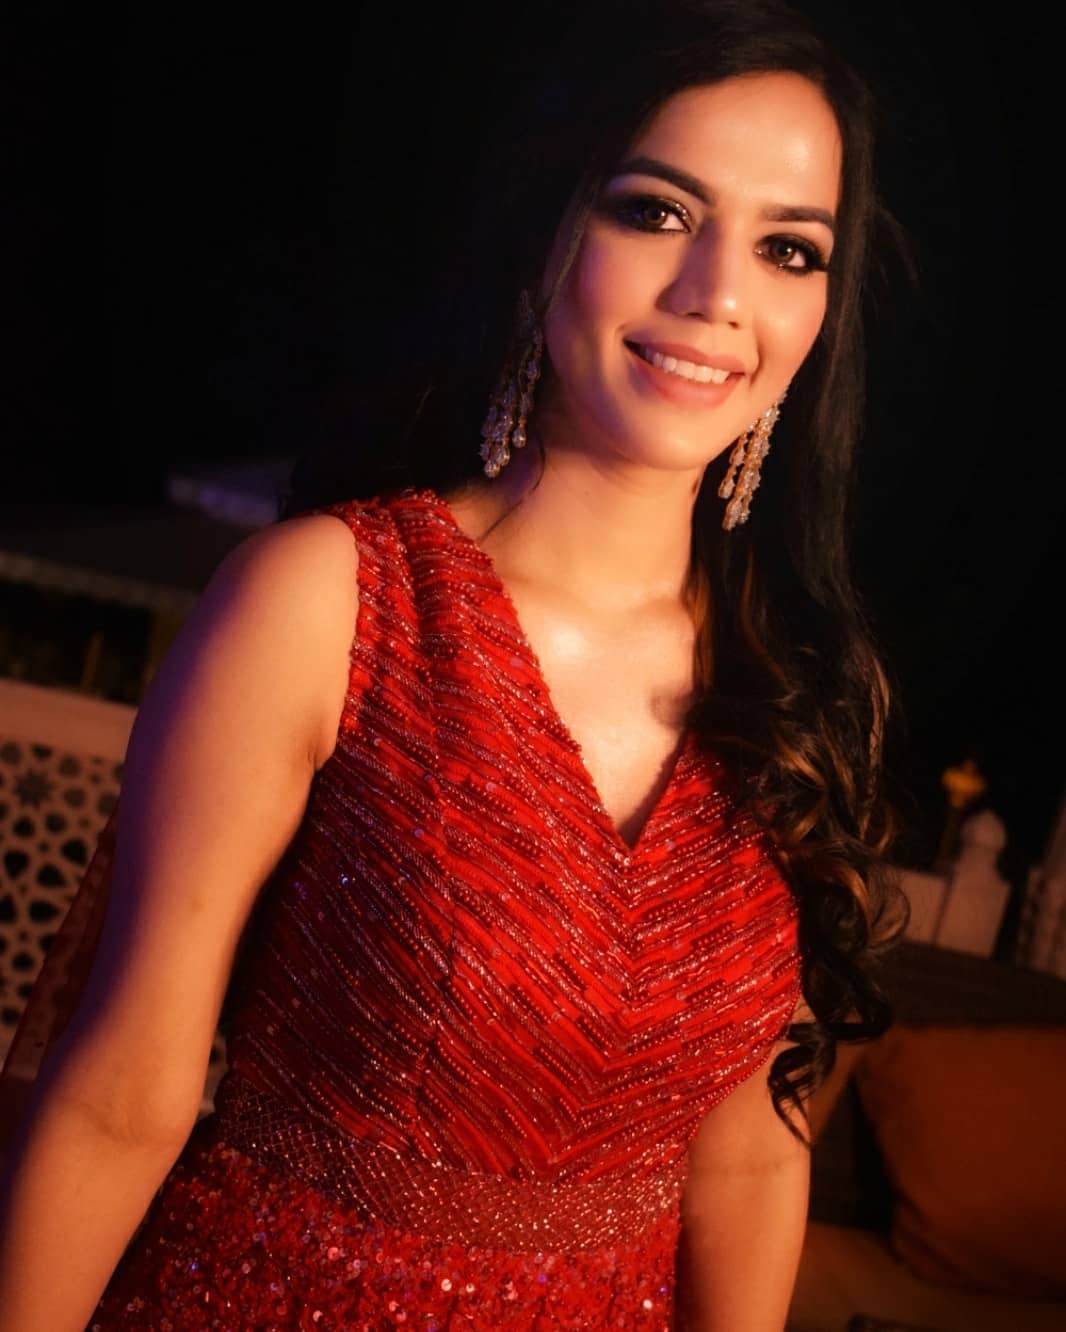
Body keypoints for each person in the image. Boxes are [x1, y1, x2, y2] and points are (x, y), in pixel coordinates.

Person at [0, 0, 907, 1326]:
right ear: (543, 228)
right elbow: (124, 1096)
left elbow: (750, 1156)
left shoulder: (797, 687)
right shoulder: (327, 604)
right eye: (656, 211)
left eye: (787, 247)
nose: (718, 295)